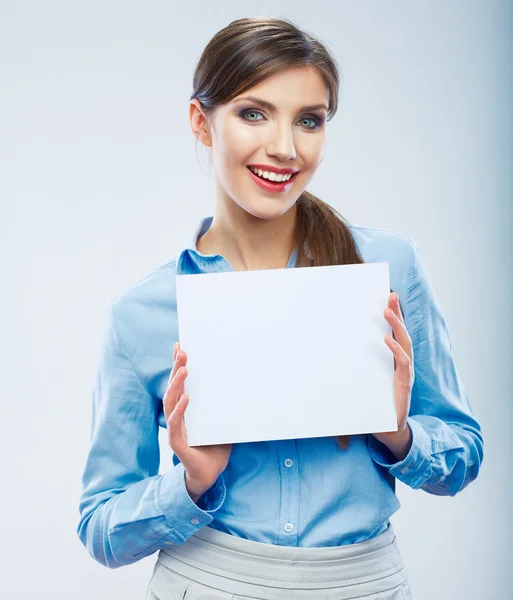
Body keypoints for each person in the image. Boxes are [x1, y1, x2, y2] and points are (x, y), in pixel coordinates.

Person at [77, 16, 484, 600]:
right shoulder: (141, 314)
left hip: (363, 585)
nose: (284, 148)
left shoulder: (388, 269)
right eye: (253, 113)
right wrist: (192, 482)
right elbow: (99, 526)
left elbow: (463, 455)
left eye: (309, 121)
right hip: (209, 582)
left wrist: (398, 435)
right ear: (202, 121)